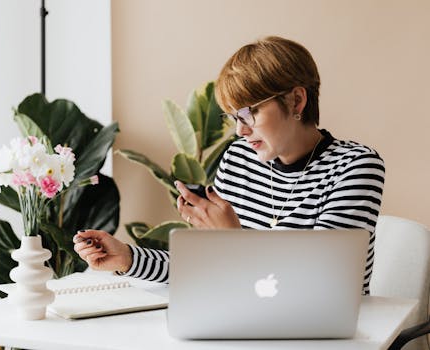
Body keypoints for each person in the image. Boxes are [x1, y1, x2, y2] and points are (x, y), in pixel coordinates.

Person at [73, 36, 385, 294]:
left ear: (296, 101)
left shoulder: (355, 167)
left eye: (250, 113)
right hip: (246, 325)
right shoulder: (239, 159)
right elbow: (206, 268)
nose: (240, 130)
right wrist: (128, 258)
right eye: (234, 117)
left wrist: (234, 240)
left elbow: (328, 287)